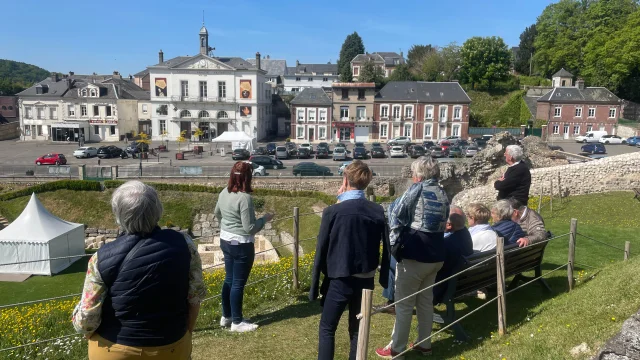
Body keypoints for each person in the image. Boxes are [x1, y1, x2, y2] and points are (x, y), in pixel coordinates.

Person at [72, 181, 206, 359]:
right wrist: (186, 334)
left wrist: (78, 319)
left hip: (114, 349)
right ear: (158, 209)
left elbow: (87, 321)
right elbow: (195, 297)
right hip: (171, 346)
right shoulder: (184, 244)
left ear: (118, 215)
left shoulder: (101, 257)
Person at [310, 160, 389, 360]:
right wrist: (385, 278)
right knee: (356, 329)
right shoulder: (377, 210)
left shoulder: (333, 211)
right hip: (366, 278)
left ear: (345, 180)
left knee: (328, 327)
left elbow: (321, 248)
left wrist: (313, 286)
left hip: (339, 278)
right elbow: (387, 246)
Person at [376, 157, 449, 359]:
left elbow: (396, 213)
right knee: (425, 302)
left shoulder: (416, 189)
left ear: (419, 174)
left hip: (416, 255)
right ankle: (424, 344)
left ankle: (397, 348)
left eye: (414, 172)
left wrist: (395, 239)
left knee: (404, 304)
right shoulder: (442, 191)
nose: (412, 176)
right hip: (436, 254)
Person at [215, 161, 274, 332]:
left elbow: (217, 213)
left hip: (225, 240)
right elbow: (249, 227)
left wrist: (225, 227)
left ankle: (227, 316)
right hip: (241, 244)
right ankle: (237, 322)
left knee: (229, 279)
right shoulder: (244, 198)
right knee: (238, 283)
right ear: (248, 178)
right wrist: (264, 219)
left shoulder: (224, 192)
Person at [433, 209, 474, 304]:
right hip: (461, 283)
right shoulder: (465, 233)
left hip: (441, 289)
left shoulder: (447, 244)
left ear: (449, 225)